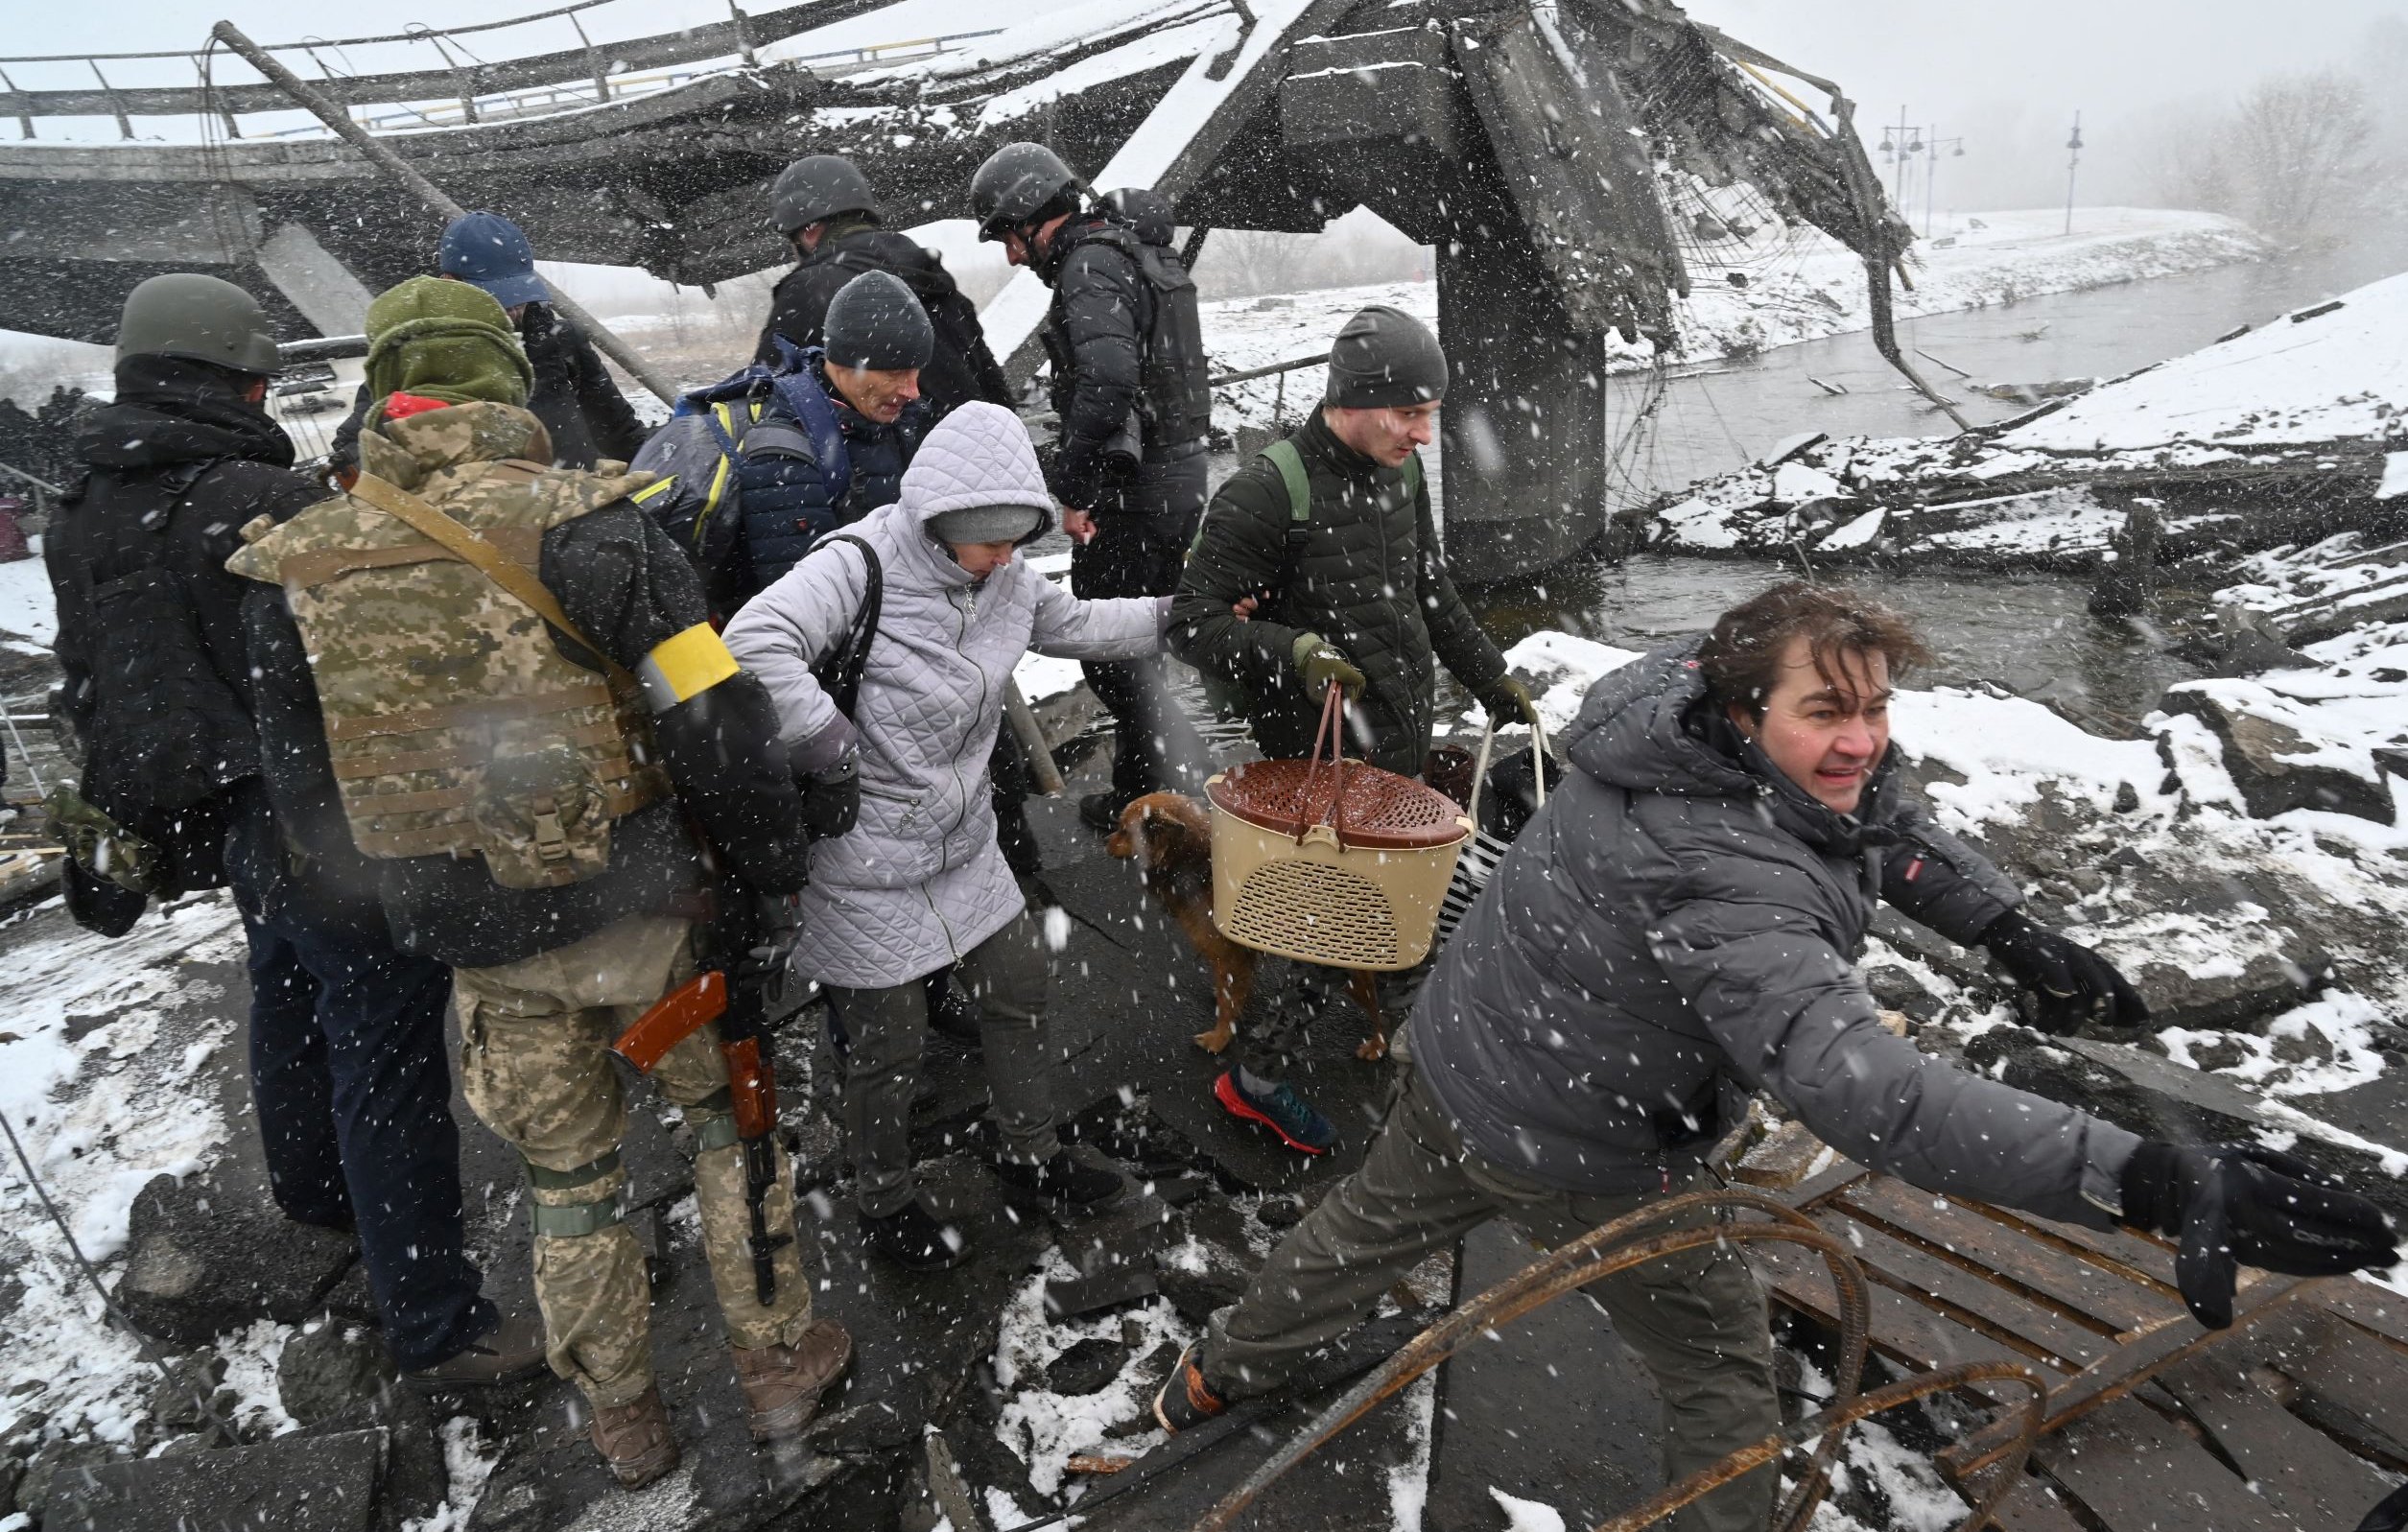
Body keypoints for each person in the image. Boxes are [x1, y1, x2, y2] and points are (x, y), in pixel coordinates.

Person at [1152, 583, 2400, 1532]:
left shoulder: (1674, 716)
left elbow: (1877, 817)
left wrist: (2002, 924)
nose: (1860, 737)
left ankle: (1213, 1378)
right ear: (1743, 707)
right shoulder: (1725, 876)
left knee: (1364, 1227)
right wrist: (2147, 1175)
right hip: (1580, 1142)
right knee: (1717, 1359)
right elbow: (1867, 1095)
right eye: (1826, 711)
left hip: (1465, 1052)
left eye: (1873, 705)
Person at [230, 275, 842, 1488]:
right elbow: (716, 721)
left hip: (484, 949)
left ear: (382, 394)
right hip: (650, 917)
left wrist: (428, 910)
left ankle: (623, 1414)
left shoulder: (292, 573)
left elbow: (311, 809)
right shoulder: (598, 529)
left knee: (570, 1182)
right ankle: (776, 1359)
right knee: (730, 1134)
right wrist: (770, 873)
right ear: (505, 384)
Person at [46, 272, 535, 1386]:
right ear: (234, 377)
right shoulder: (252, 495)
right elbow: (353, 667)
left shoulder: (80, 509)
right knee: (390, 1042)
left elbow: (98, 680)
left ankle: (316, 1194)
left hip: (211, 815)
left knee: (284, 989)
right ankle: (439, 1322)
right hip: (320, 812)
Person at [722, 401, 1170, 1270]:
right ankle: (882, 1198)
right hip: (859, 858)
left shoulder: (1004, 579)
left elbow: (1077, 624)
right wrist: (829, 742)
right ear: (941, 521)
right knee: (889, 1044)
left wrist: (1176, 614)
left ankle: (1029, 1150)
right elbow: (752, 641)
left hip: (962, 842)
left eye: (1017, 537)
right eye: (990, 539)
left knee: (1018, 982)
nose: (1007, 557)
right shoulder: (859, 565)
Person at [1167, 304, 1538, 1154]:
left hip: (1399, 742)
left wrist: (1494, 679)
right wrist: (1292, 648)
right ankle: (1259, 1082)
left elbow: (1431, 592)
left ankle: (1423, 1067)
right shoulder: (1267, 490)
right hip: (1319, 761)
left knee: (1396, 913)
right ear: (1357, 400)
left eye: (1431, 415)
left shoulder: (1399, 475)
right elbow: (1191, 623)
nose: (1424, 435)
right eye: (1410, 414)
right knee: (1327, 927)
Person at [970, 142, 1212, 832]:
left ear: (1029, 218)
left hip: (1135, 494)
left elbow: (1106, 384)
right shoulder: (1133, 252)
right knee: (1137, 648)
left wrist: (1072, 487)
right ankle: (1156, 795)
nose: (1014, 257)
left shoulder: (1089, 266)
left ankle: (1153, 808)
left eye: (1009, 239)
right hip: (1174, 477)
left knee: (1115, 654)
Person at [331, 211, 648, 472]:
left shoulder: (560, 340)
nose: (511, 310)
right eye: (496, 295)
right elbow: (353, 446)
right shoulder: (418, 352)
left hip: (575, 513)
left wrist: (659, 467)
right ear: (450, 282)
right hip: (481, 526)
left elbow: (617, 428)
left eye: (518, 295)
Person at [755, 153, 1014, 421]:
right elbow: (993, 386)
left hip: (899, 458)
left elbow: (760, 397)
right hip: (980, 448)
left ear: (808, 231)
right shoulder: (928, 273)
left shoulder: (810, 288)